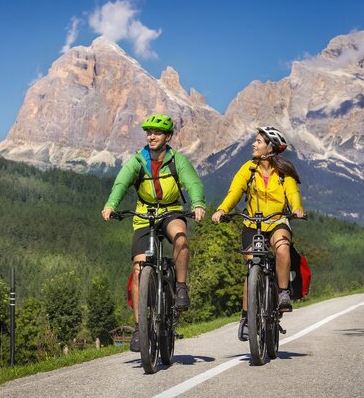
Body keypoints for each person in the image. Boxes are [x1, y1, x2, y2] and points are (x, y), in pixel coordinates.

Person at [102, 113, 206, 352]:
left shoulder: (177, 160)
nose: (151, 136)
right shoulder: (138, 161)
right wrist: (111, 205)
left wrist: (198, 203)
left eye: (157, 133)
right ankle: (140, 327)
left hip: (171, 211)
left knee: (180, 237)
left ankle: (180, 287)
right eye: (149, 132)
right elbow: (121, 183)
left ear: (167, 137)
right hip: (144, 214)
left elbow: (193, 183)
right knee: (139, 269)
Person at [211, 126, 304, 341]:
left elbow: (292, 193)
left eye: (259, 141)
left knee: (282, 248)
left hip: (277, 220)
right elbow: (234, 192)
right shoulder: (248, 169)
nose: (254, 144)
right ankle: (246, 317)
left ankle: (282, 292)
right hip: (253, 222)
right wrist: (223, 209)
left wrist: (297, 209)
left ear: (270, 148)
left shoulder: (284, 172)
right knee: (253, 263)